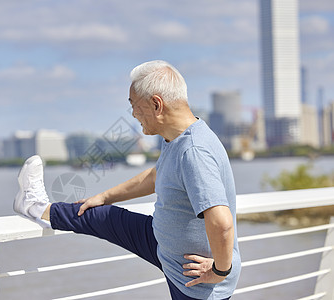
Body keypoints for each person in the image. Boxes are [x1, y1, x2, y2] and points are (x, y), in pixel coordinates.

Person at [14, 60, 241, 299]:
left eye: (134, 105)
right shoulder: (179, 137)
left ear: (156, 104)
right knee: (99, 214)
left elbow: (222, 224)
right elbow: (156, 176)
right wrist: (104, 197)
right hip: (162, 245)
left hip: (194, 279)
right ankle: (35, 207)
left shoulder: (194, 152)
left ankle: (36, 208)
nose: (133, 114)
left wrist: (219, 271)